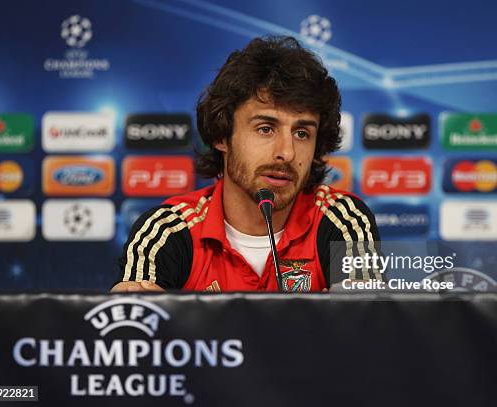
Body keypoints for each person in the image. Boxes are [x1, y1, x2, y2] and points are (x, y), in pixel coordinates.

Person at [112, 36, 381, 292]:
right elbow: (135, 328)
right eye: (266, 129)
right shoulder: (166, 230)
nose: (287, 153)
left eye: (302, 133)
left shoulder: (344, 219)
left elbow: (365, 325)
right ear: (221, 136)